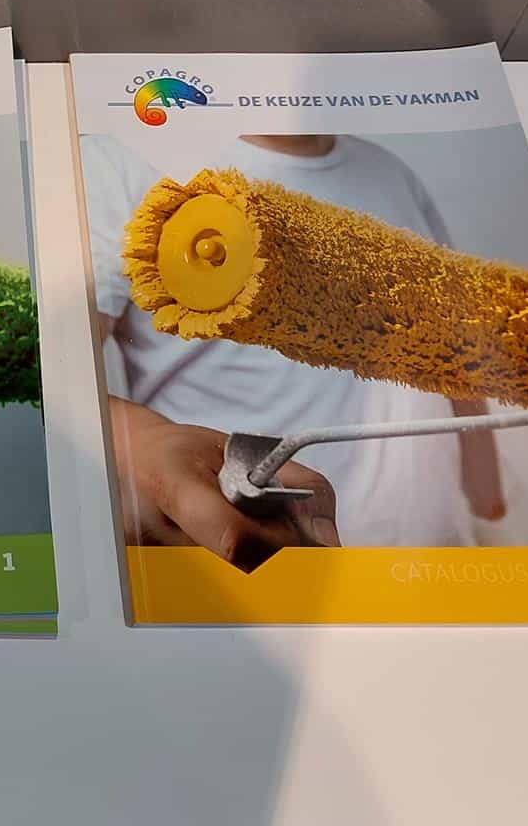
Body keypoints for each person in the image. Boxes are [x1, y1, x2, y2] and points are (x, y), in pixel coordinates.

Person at [82, 132, 505, 553]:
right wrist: (144, 444)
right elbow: (57, 383)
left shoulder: (389, 172)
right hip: (253, 559)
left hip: (434, 552)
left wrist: (487, 496)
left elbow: (456, 347)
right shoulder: (121, 166)